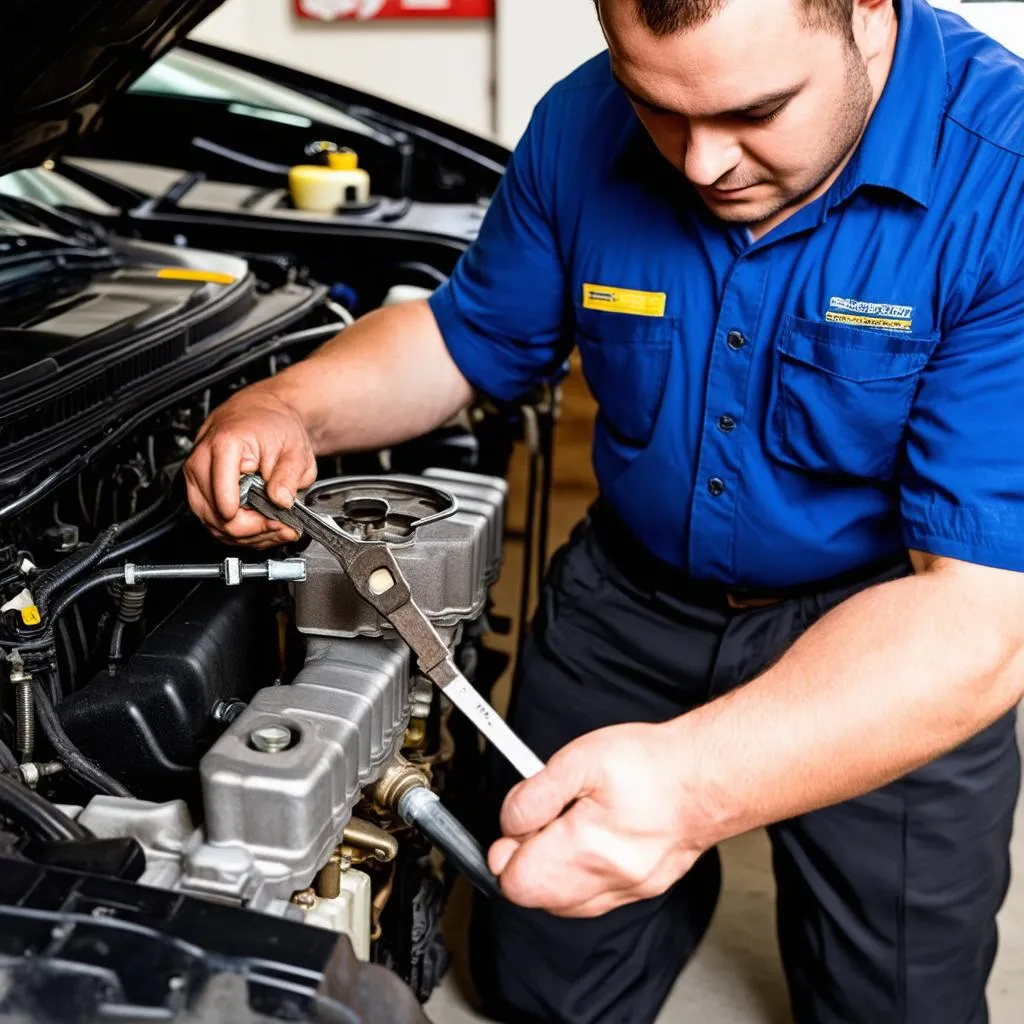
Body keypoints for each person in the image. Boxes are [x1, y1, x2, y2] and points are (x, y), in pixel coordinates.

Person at [184, 0, 1024, 1020]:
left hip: (880, 628)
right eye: (657, 109)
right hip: (628, 605)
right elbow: (463, 340)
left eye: (757, 110)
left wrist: (696, 788)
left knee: (899, 1006)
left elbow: (977, 615)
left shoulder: (1001, 169)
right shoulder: (580, 124)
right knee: (537, 985)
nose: (702, 163)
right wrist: (291, 403)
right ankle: (668, 891)